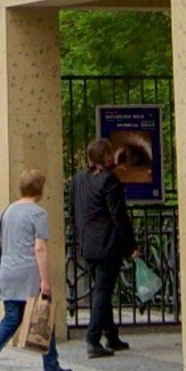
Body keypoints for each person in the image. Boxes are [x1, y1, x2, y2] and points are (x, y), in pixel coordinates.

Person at [0, 170, 68, 371]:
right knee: (44, 316)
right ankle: (51, 365)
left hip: (8, 271)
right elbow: (40, 248)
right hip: (28, 273)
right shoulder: (38, 213)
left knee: (11, 318)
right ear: (40, 189)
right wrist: (45, 280)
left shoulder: (8, 211)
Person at [71, 138, 137, 359]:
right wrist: (131, 246)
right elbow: (119, 216)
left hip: (87, 244)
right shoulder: (109, 181)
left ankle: (112, 336)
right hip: (108, 244)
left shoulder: (79, 179)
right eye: (109, 153)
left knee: (102, 290)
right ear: (105, 156)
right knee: (102, 291)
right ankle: (92, 339)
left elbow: (74, 211)